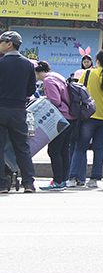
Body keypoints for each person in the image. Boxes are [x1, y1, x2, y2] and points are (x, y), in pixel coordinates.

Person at [70, 49, 103, 188]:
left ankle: (73, 177)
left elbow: (79, 91)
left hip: (90, 115)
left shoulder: (89, 73)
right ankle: (94, 179)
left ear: (97, 61)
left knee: (80, 148)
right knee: (99, 148)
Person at [0, 31, 38, 193]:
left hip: (1, 109)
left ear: (9, 44)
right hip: (18, 110)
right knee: (22, 147)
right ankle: (28, 183)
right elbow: (31, 89)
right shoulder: (28, 64)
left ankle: (2, 184)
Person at [35, 61, 76, 190]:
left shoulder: (47, 80)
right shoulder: (56, 75)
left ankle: (58, 180)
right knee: (64, 149)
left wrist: (42, 101)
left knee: (53, 149)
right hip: (71, 116)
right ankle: (62, 179)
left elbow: (55, 101)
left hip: (61, 117)